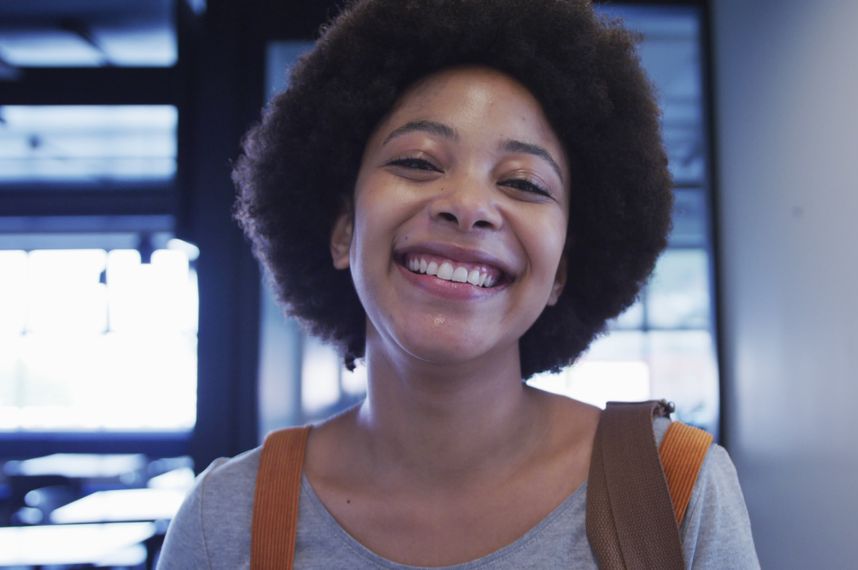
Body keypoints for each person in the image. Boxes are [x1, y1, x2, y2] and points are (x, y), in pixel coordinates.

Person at [158, 0, 758, 567]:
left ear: (562, 272)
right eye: (417, 162)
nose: (469, 206)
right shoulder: (225, 517)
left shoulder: (675, 488)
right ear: (343, 230)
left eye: (524, 183)